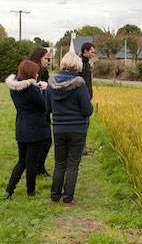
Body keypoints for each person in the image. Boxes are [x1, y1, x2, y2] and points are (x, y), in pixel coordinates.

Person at [45, 52, 93, 207]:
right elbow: (87, 110)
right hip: (77, 129)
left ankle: (54, 197)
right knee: (73, 164)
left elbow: (48, 108)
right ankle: (68, 199)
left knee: (59, 163)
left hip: (58, 128)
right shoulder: (79, 84)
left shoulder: (51, 84)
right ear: (77, 66)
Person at [3, 60, 50, 199]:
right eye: (36, 72)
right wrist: (45, 90)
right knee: (32, 163)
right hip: (36, 130)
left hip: (22, 127)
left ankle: (9, 191)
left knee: (21, 161)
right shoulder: (33, 90)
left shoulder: (14, 88)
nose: (37, 75)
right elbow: (45, 106)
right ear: (30, 73)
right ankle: (31, 191)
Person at [27, 47, 52, 177]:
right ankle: (36, 167)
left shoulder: (45, 72)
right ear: (38, 58)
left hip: (45, 109)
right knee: (41, 142)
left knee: (47, 141)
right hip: (36, 111)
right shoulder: (30, 72)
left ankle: (40, 167)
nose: (47, 61)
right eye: (45, 59)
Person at [79, 42, 95, 156]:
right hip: (81, 98)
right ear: (85, 51)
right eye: (92, 52)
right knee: (83, 123)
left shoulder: (87, 63)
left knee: (86, 123)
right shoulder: (80, 63)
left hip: (87, 97)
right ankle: (81, 148)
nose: (93, 54)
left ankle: (82, 147)